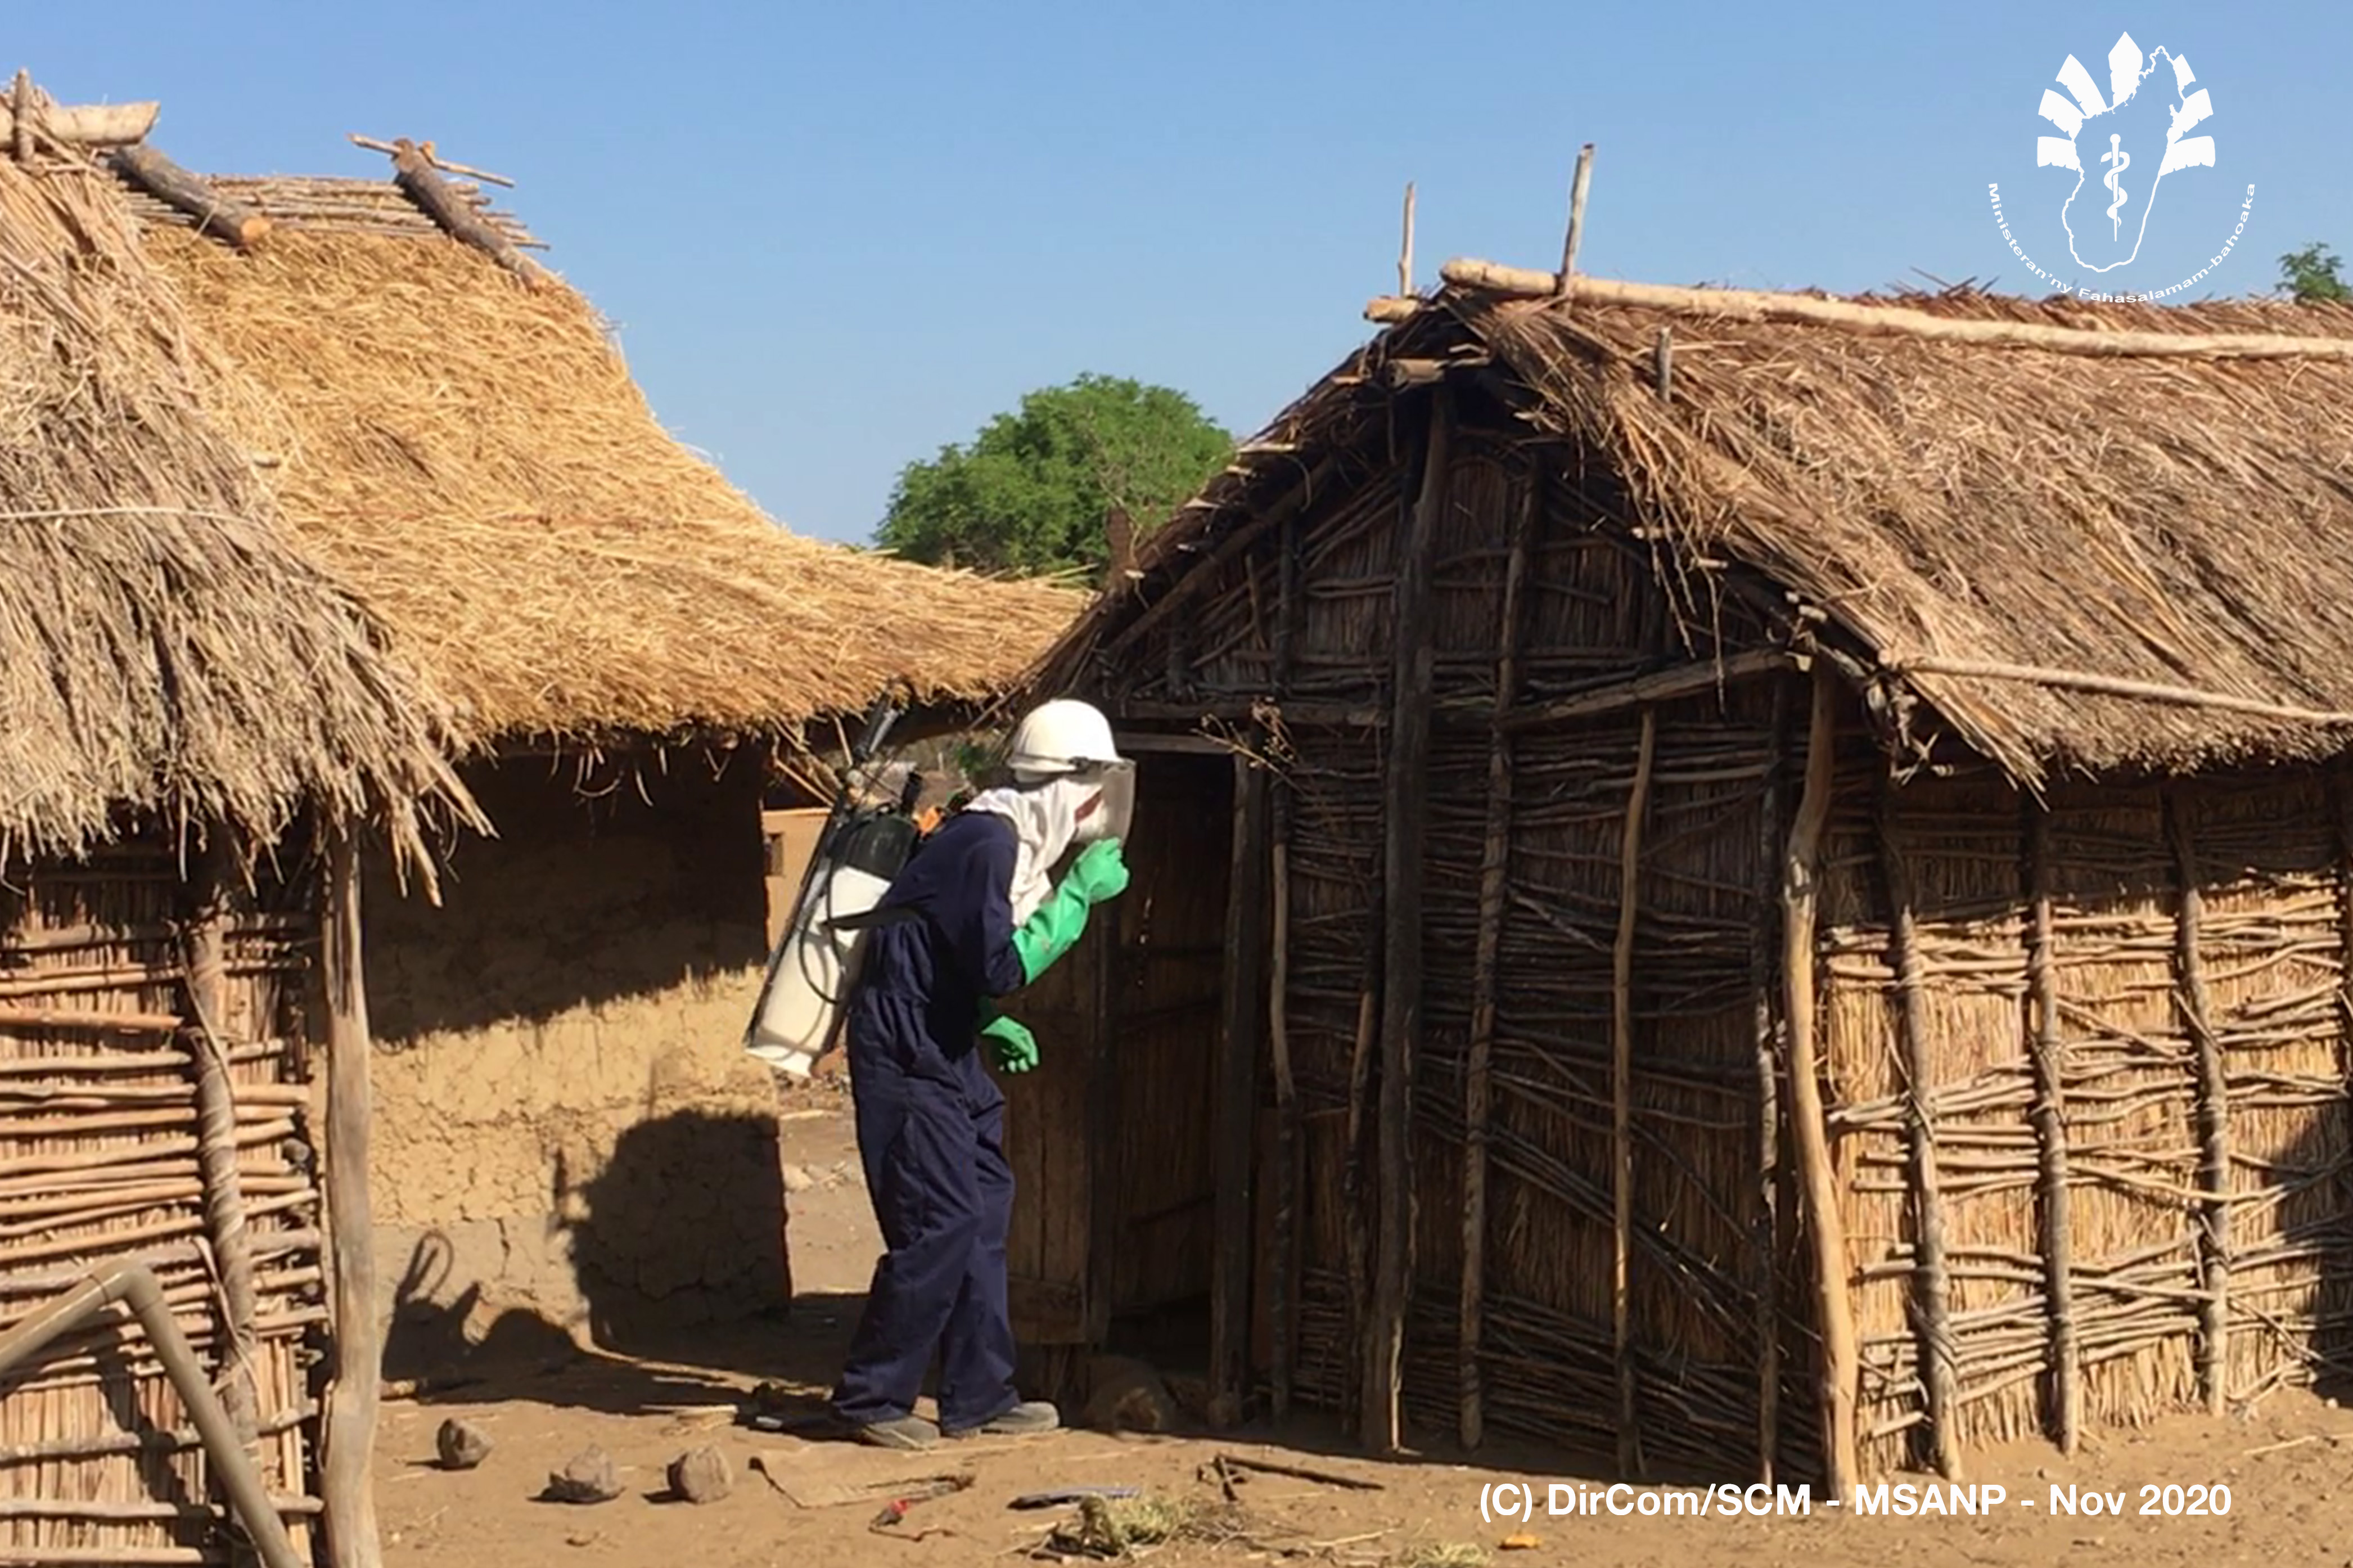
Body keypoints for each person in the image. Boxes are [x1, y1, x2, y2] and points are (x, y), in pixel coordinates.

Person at [827, 699, 1134, 1450]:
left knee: (986, 1207)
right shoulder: (989, 844)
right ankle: (870, 1398)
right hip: (909, 1050)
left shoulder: (1002, 841)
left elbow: (949, 950)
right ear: (1068, 785)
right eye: (1092, 790)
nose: (1097, 809)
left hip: (942, 1041)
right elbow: (997, 958)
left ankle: (980, 1395)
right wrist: (1075, 904)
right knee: (940, 1220)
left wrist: (984, 1017)